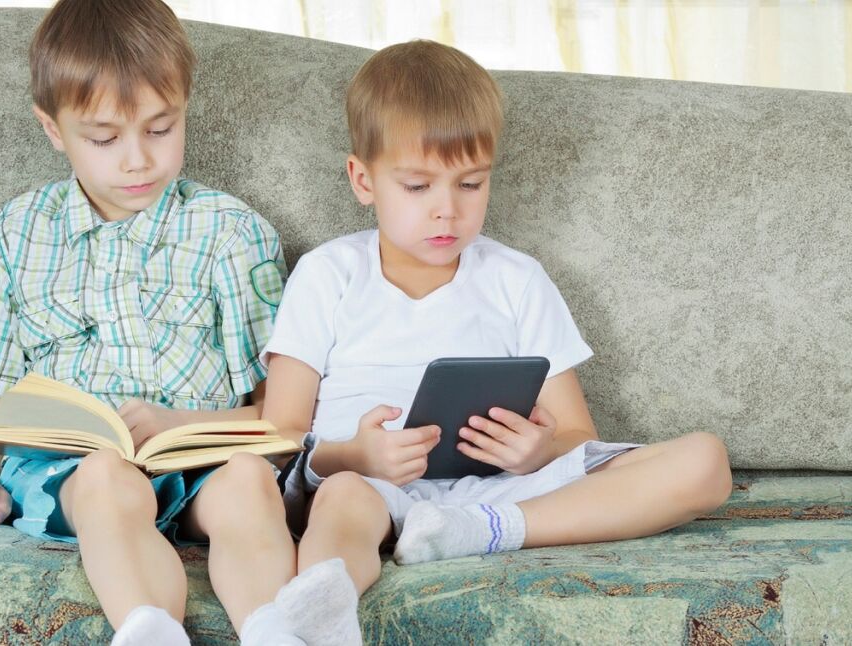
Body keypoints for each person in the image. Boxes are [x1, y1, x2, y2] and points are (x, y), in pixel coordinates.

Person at [262, 39, 734, 637]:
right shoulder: (328, 273)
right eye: (417, 187)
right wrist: (353, 455)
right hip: (364, 483)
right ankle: (327, 618)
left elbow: (576, 434)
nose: (447, 212)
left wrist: (539, 451)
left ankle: (481, 532)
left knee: (704, 462)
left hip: (503, 492)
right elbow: (278, 436)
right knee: (341, 505)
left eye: (470, 184)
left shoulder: (516, 278)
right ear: (363, 179)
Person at [0, 1, 323, 644]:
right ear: (53, 129)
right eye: (104, 139)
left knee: (248, 482)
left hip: (203, 459)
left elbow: (280, 418)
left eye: (161, 129)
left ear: (185, 106)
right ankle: (150, 630)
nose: (137, 160)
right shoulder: (13, 237)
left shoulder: (231, 233)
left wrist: (181, 427)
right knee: (107, 478)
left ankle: (275, 631)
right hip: (72, 473)